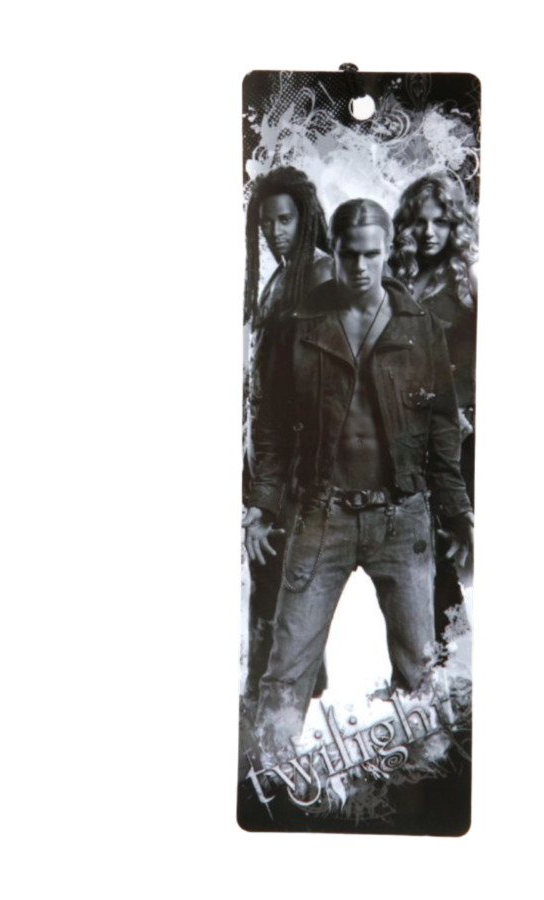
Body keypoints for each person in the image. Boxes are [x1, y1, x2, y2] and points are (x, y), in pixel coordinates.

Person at [244, 199, 475, 755]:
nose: (361, 267)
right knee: (285, 669)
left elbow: (442, 429)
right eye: (350, 255)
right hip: (321, 512)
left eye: (372, 255)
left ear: (387, 251)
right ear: (336, 251)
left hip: (402, 515)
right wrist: (261, 505)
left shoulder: (421, 327)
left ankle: (427, 781)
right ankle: (269, 777)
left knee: (421, 672)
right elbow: (270, 425)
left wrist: (458, 510)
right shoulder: (297, 327)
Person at [241, 167, 333, 703]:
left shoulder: (322, 276)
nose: (276, 232)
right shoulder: (279, 279)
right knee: (270, 587)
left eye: (285, 220)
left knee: (288, 594)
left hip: (300, 469)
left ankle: (280, 707)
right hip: (269, 460)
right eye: (266, 223)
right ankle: (272, 706)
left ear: (306, 218)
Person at [391, 173, 479, 641]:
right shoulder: (392, 278)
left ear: (454, 225)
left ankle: (451, 655)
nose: (429, 233)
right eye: (420, 222)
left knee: (451, 547)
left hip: (460, 435)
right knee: (417, 550)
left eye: (441, 222)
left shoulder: (468, 281)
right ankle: (435, 658)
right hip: (406, 433)